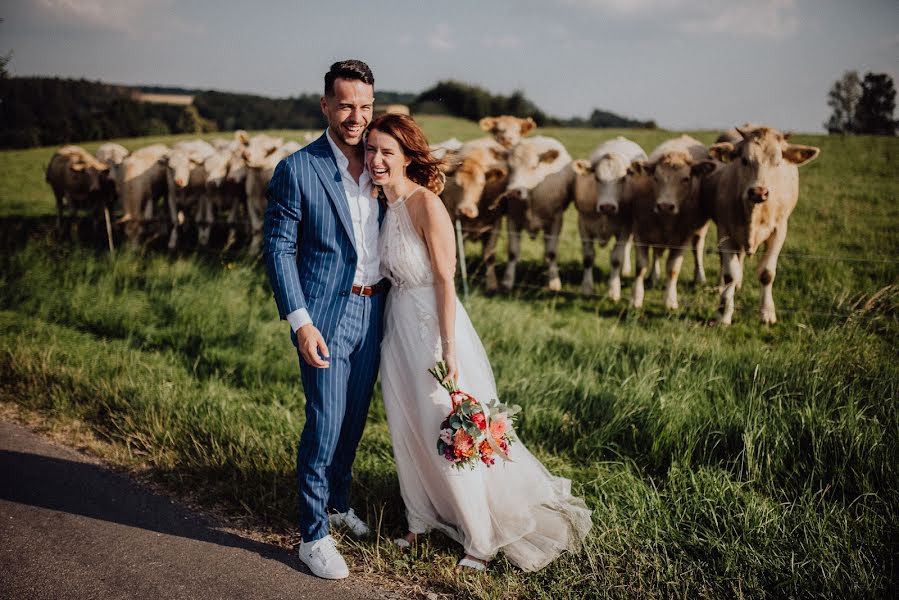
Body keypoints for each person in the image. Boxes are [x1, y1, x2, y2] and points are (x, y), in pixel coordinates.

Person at [369, 113, 593, 573]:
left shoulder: (427, 204)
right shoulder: (381, 204)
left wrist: (449, 348)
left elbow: (447, 283)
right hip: (398, 328)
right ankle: (419, 518)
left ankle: (482, 538)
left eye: (386, 152)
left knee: (446, 426)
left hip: (434, 327)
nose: (375, 159)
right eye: (371, 150)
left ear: (408, 157)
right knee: (407, 422)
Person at [262, 59, 384, 580]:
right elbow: (279, 248)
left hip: (376, 308)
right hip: (325, 314)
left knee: (354, 419)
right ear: (326, 105)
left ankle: (338, 501)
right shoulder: (298, 168)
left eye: (365, 106)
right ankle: (312, 534)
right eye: (346, 105)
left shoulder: (382, 162)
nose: (356, 116)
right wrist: (300, 321)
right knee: (325, 422)